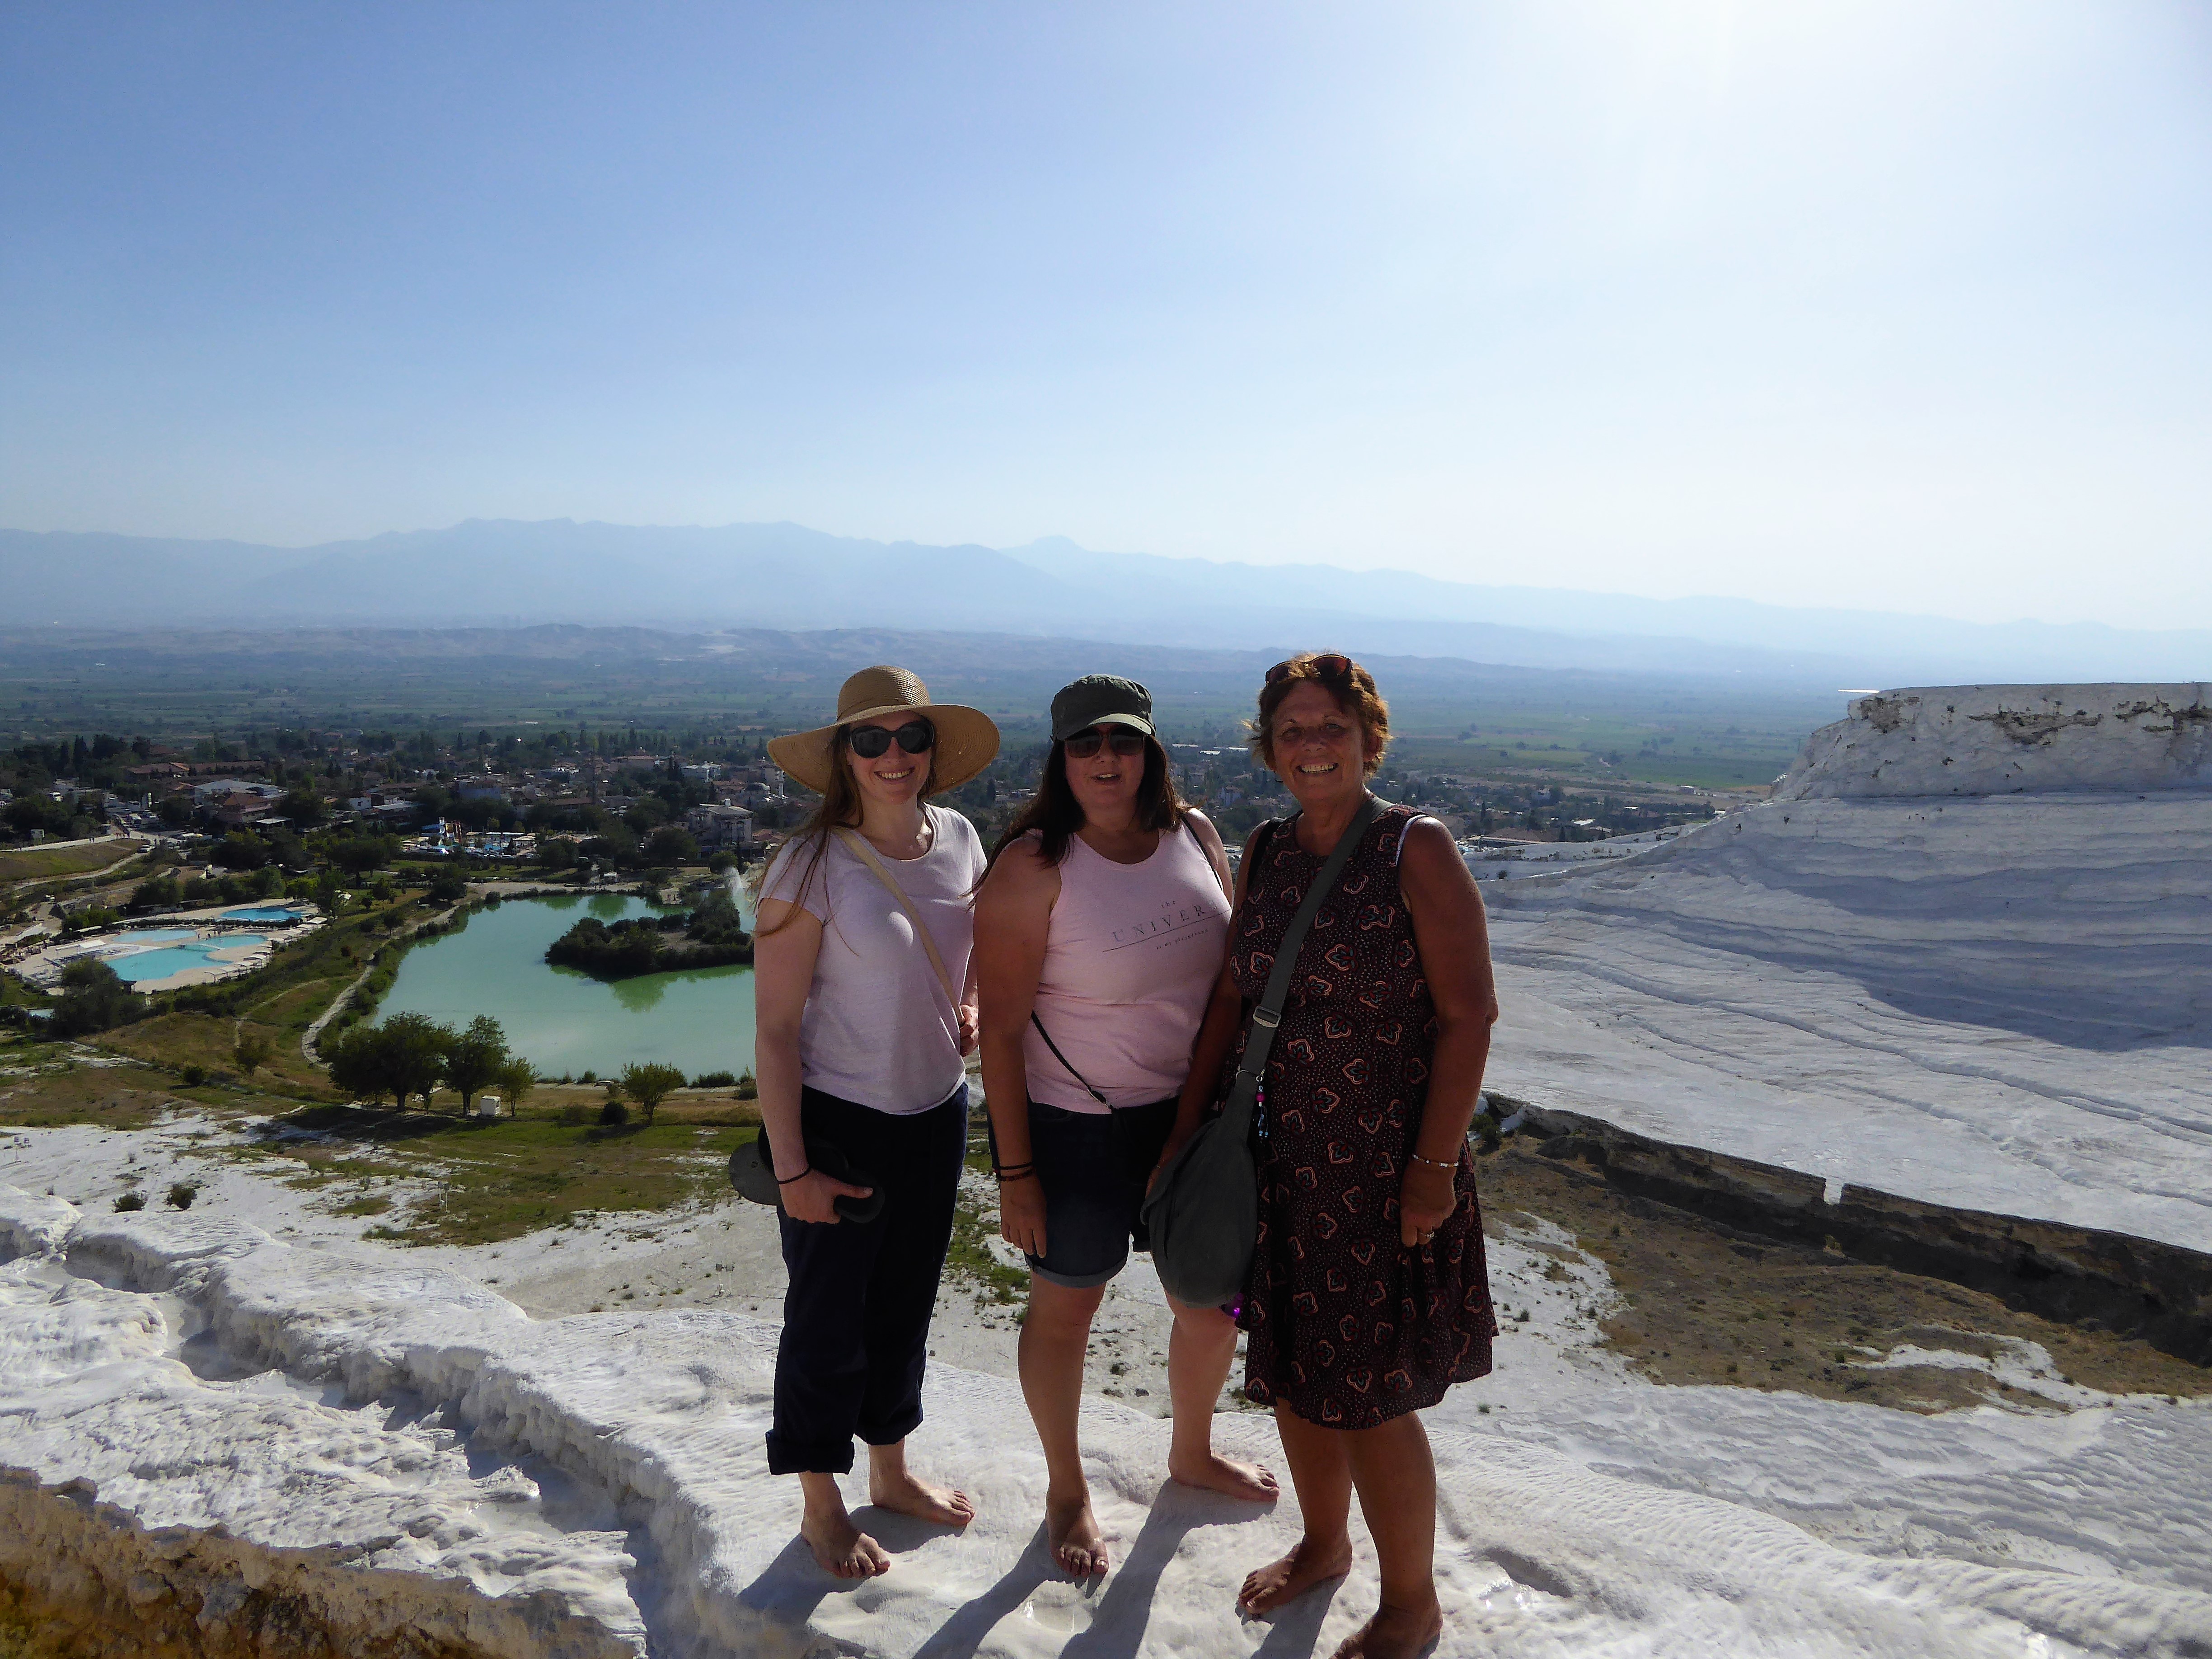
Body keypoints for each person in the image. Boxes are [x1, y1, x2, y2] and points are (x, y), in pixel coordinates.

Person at [1163, 651, 1500, 1659]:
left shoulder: (1414, 847)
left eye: (1331, 728)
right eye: (1293, 730)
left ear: (1369, 740)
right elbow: (1235, 995)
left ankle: (1412, 1605)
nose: (1312, 746)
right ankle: (1322, 1545)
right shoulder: (1268, 849)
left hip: (1382, 1170)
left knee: (1371, 1396)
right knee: (1296, 1374)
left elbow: (1470, 1013)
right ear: (1268, 748)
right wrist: (1184, 1133)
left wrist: (1431, 1171)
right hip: (1281, 1163)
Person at [973, 674, 1279, 1579]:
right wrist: (1015, 1174)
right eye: (1085, 744)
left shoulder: (1197, 836)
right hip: (1078, 1129)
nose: (1105, 758)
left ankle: (1192, 1451)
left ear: (1150, 751)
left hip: (1197, 1121)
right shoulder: (1033, 867)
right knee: (1068, 1309)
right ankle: (1067, 1490)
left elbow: (1230, 982)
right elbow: (1001, 1033)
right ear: (1060, 759)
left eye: (1123, 741)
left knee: (1212, 1307)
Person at [754, 665, 1000, 1579]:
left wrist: (970, 1006)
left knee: (904, 1305)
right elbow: (775, 1033)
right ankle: (821, 1503)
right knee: (827, 1320)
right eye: (871, 739)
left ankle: (891, 1473)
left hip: (936, 1114)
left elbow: (975, 952)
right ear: (845, 755)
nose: (894, 755)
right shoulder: (809, 866)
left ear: (933, 749)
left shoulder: (961, 839)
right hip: (840, 1123)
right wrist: (792, 1170)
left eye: (911, 736)